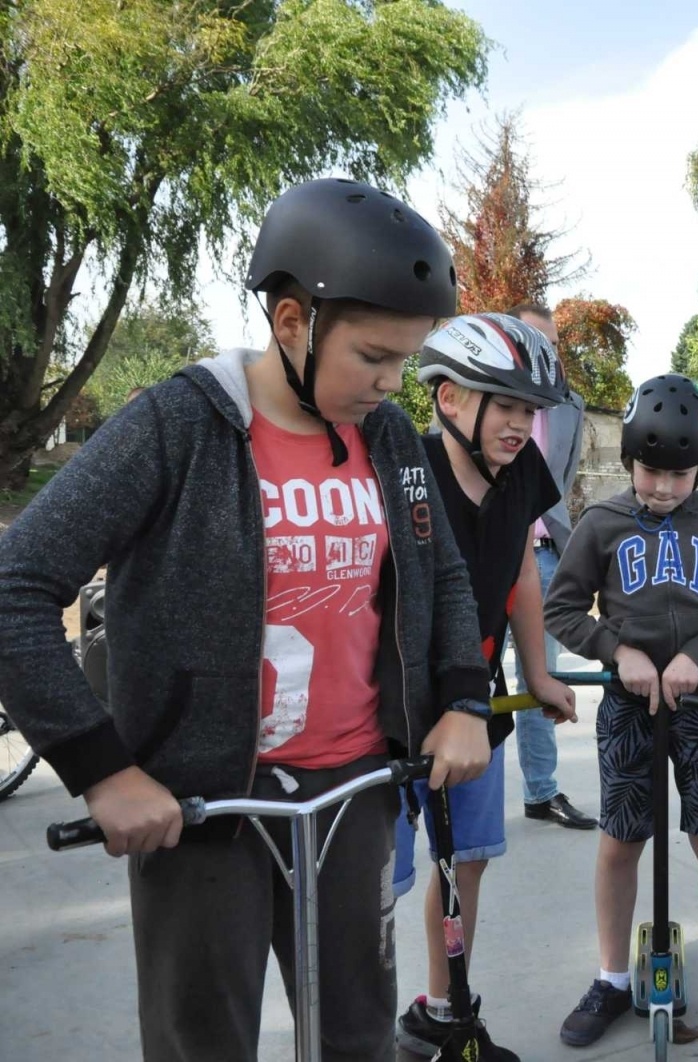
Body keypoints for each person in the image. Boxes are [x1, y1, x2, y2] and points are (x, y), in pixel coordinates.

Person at [0, 177, 493, 1060]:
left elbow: (441, 577)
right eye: (373, 356)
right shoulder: (178, 426)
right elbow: (17, 587)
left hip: (351, 797)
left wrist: (463, 697)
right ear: (294, 321)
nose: (391, 384)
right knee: (205, 1043)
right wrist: (103, 770)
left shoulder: (385, 440)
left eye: (405, 360)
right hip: (199, 808)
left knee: (356, 1038)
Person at [544, 373, 698, 1056]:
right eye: (651, 471)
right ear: (630, 462)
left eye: (680, 474)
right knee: (620, 840)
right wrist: (618, 652)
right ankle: (612, 978)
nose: (665, 487)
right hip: (629, 708)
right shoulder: (603, 523)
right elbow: (561, 608)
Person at [391, 312, 579, 1058]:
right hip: (398, 712)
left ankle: (443, 1006)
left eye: (529, 411)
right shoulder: (409, 471)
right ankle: (357, 1024)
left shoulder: (522, 472)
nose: (520, 424)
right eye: (506, 405)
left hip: (481, 701)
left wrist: (539, 672)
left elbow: (522, 575)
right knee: (378, 879)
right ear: (449, 399)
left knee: (467, 856)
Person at [504, 301, 597, 829]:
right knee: (476, 680)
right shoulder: (477, 398)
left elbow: (557, 485)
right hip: (486, 560)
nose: (547, 353)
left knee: (543, 678)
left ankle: (542, 793)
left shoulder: (570, 405)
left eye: (554, 344)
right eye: (534, 341)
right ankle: (463, 801)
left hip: (542, 559)